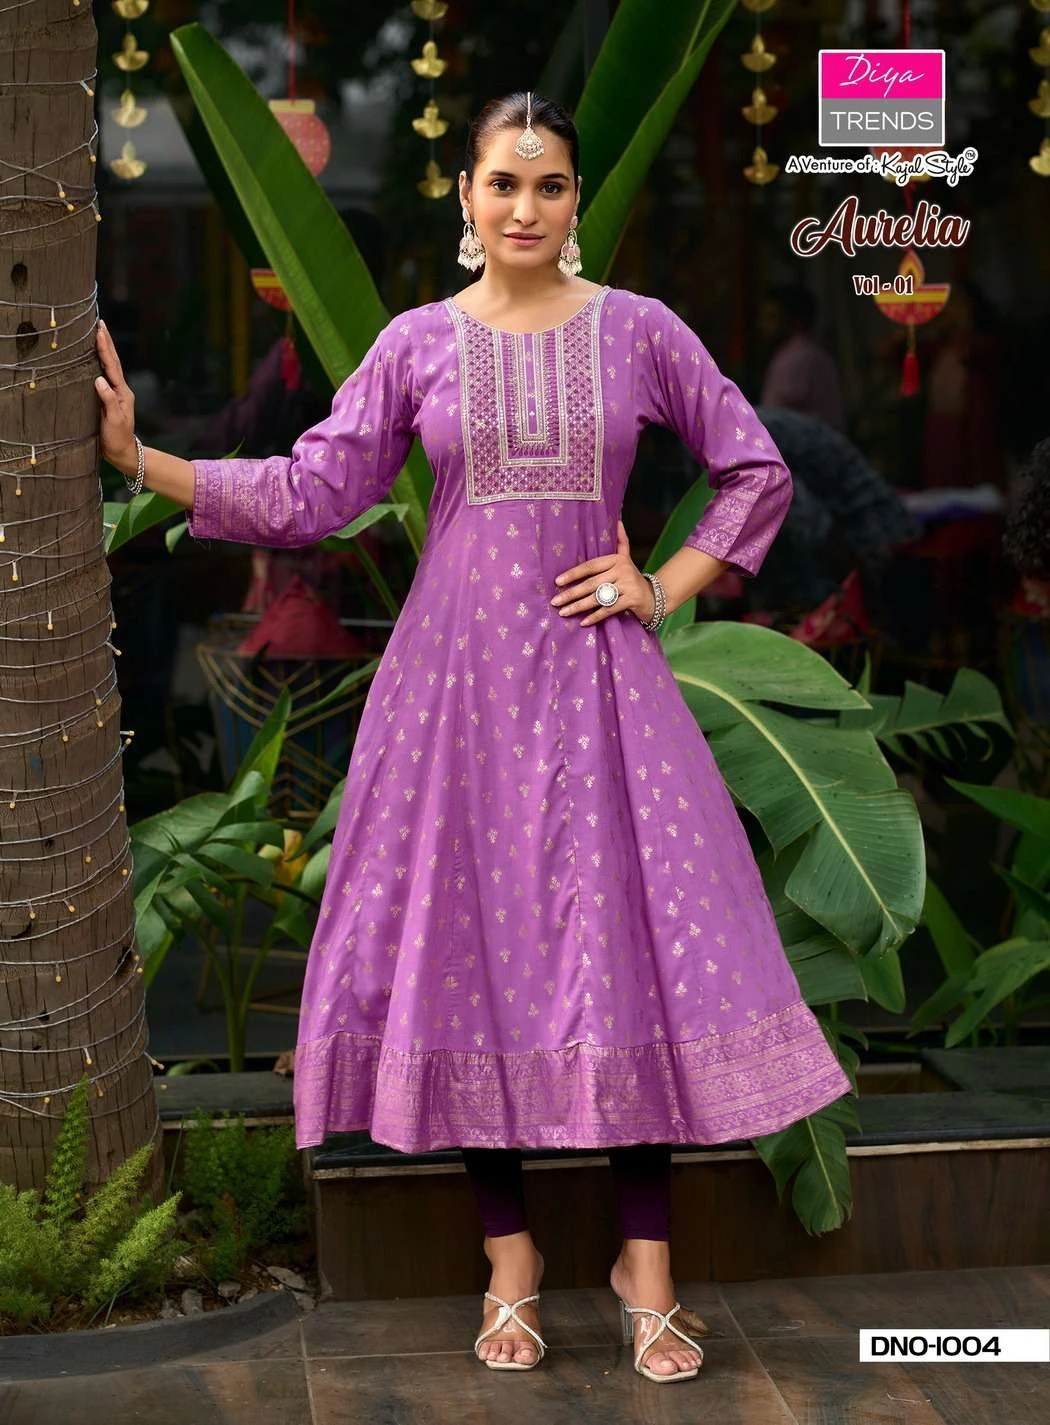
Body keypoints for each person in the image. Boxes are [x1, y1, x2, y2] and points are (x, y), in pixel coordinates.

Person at [96, 91, 851, 1385]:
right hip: (454, 700)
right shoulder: (416, 345)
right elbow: (311, 490)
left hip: (601, 693)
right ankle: (509, 1257)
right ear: (466, 197)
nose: (525, 207)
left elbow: (754, 467)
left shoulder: (639, 331)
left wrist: (661, 585)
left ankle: (646, 1265)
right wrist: (140, 461)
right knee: (468, 961)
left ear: (575, 200)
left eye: (549, 185)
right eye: (504, 182)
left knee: (630, 957)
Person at [758, 284, 846, 432]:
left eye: (772, 317)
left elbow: (771, 420)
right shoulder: (812, 353)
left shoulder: (795, 358)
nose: (763, 325)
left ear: (796, 321)